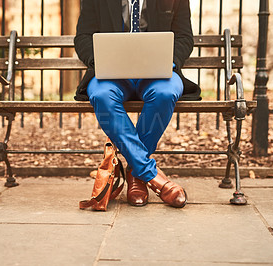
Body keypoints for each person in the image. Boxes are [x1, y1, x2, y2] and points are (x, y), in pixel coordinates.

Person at [74, 0, 200, 208]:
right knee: (101, 95)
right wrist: (102, 61)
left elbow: (184, 37)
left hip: (158, 73)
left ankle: (135, 171)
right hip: (111, 74)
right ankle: (149, 174)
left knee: (166, 93)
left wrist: (168, 62)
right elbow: (83, 37)